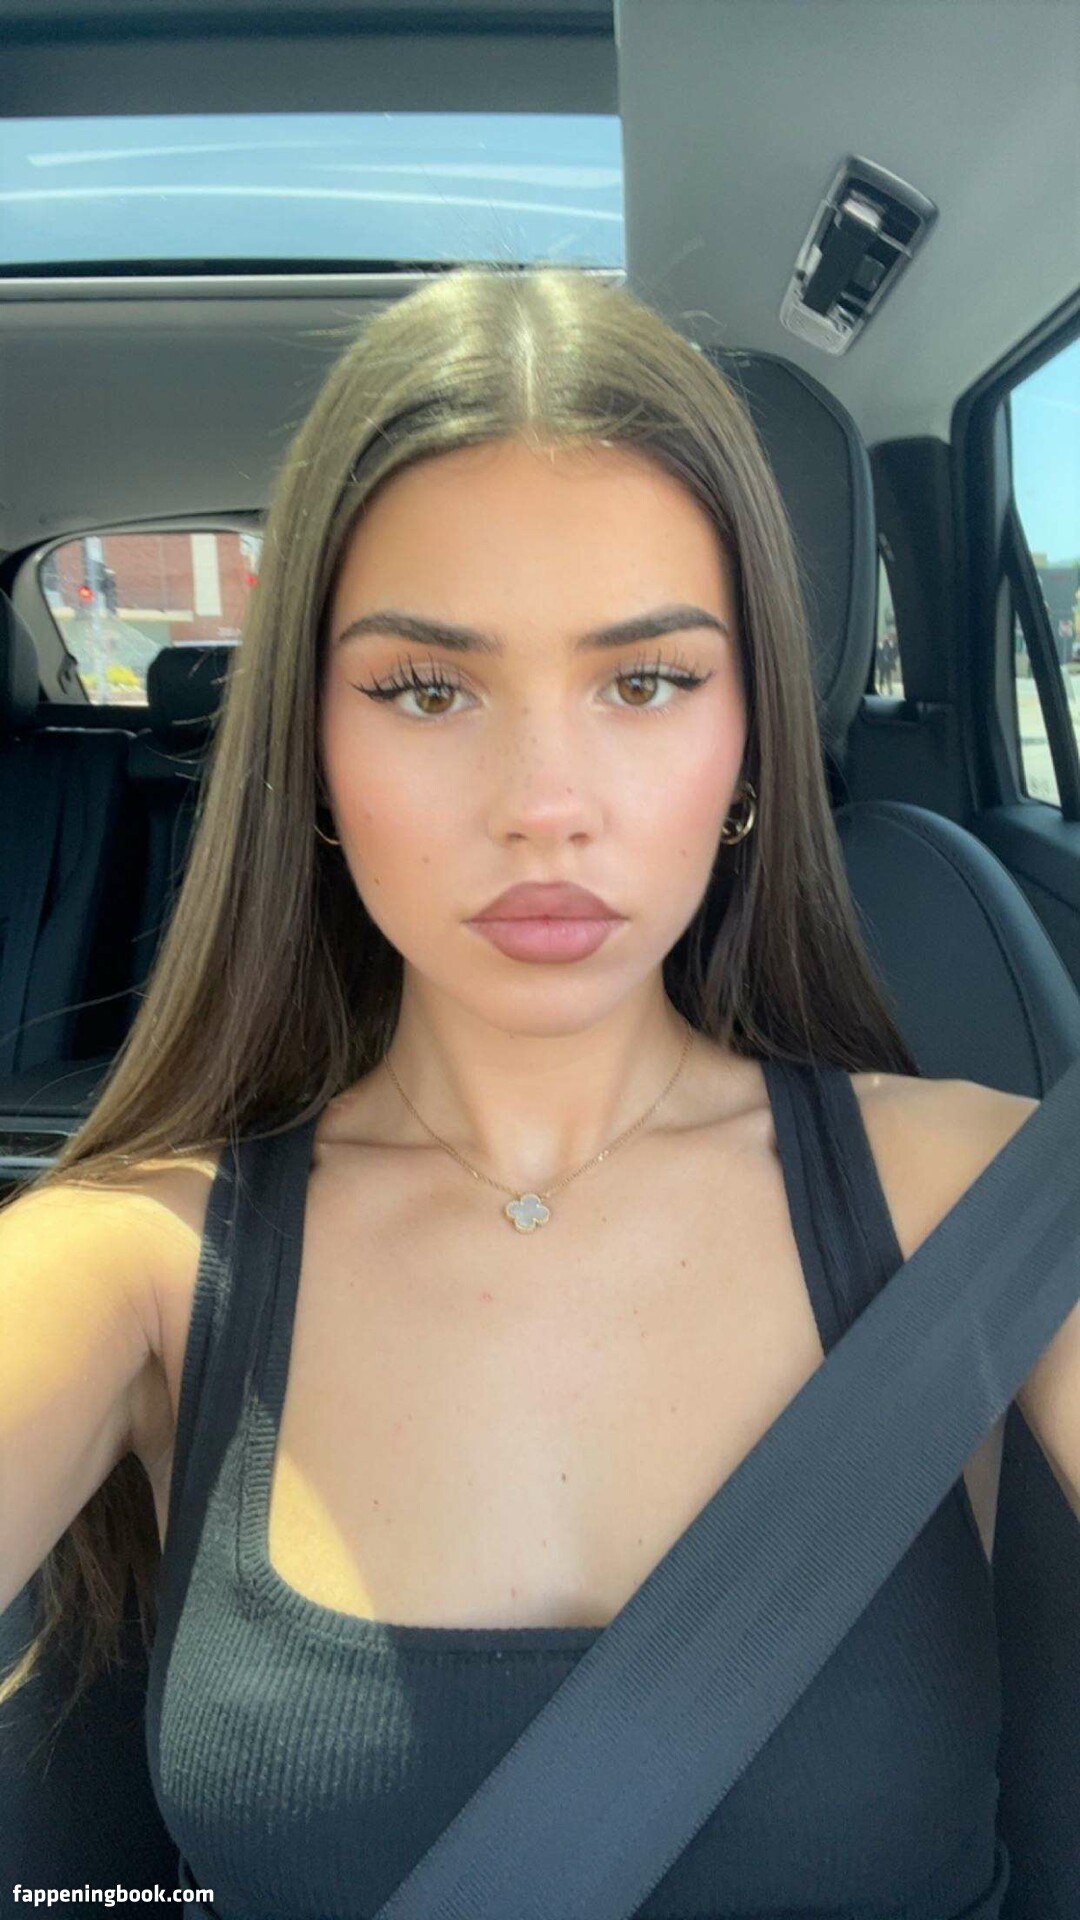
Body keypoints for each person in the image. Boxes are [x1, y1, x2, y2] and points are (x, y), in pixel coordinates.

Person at [2, 264, 1075, 1918]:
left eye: (645, 682)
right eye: (427, 689)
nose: (543, 803)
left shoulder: (992, 1204)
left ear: (749, 739)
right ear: (312, 746)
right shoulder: (133, 1257)